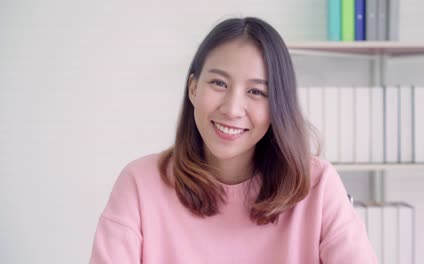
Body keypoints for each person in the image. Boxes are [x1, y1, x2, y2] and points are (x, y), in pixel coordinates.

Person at [89, 17, 377, 263]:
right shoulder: (140, 184)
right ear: (193, 89)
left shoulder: (318, 185)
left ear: (278, 104)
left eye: (256, 92)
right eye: (219, 83)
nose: (231, 108)